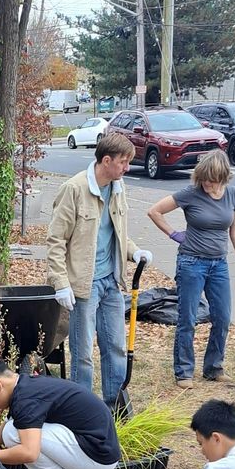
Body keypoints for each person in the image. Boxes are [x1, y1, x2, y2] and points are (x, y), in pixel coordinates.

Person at [46, 129, 152, 409]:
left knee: (115, 348)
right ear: (106, 161)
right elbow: (55, 241)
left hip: (111, 283)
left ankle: (114, 407)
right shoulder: (75, 189)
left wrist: (134, 251)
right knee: (82, 354)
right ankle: (82, 410)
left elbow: (116, 232)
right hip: (84, 286)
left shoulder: (118, 188)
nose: (127, 168)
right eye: (123, 162)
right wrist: (61, 283)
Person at [145, 150, 235, 385]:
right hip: (191, 263)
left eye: (211, 179)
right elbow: (154, 211)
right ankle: (184, 371)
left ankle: (214, 368)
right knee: (188, 318)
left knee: (223, 317)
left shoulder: (233, 195)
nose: (206, 184)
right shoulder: (191, 193)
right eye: (203, 178)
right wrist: (174, 234)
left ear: (222, 177)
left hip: (219, 265)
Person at [0, 356, 121, 469]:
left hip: (98, 456)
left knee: (13, 433)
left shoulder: (26, 399)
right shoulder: (26, 386)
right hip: (98, 450)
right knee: (10, 431)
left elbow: (29, 452)